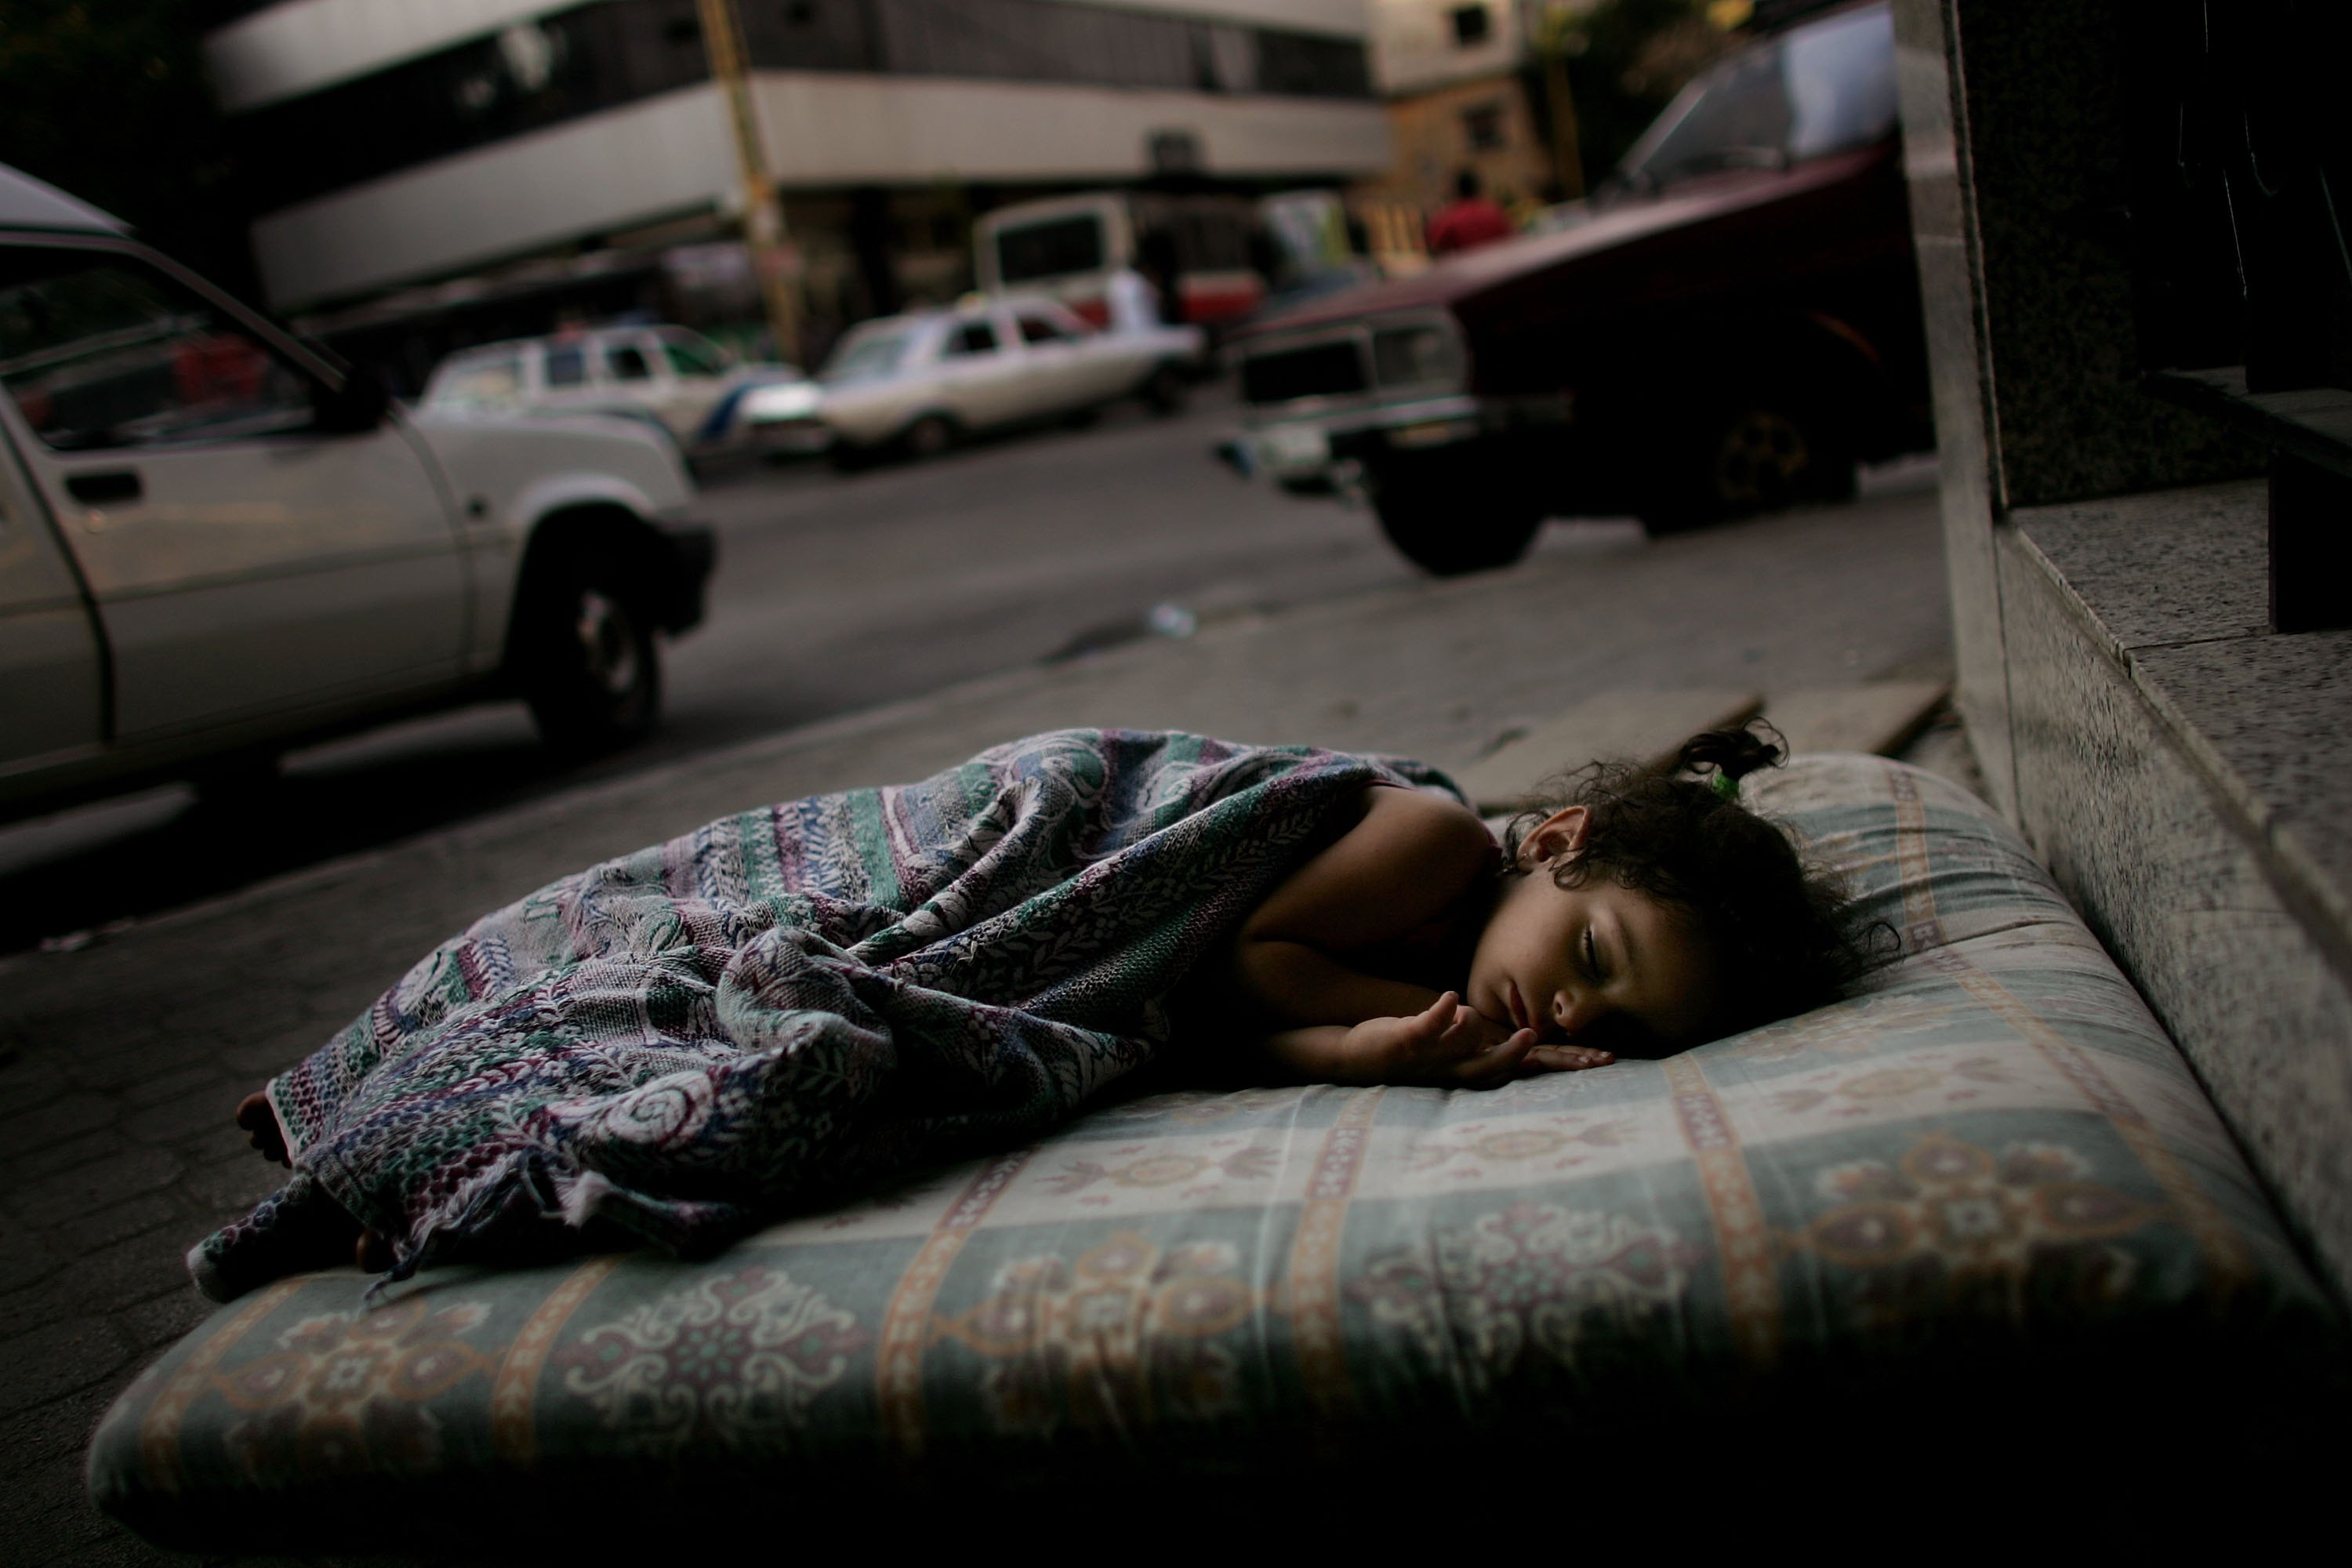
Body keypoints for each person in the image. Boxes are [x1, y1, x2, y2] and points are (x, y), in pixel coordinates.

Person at [217, 724, 1864, 1293]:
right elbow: (1239, 969)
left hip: (1190, 964)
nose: (1552, 1003)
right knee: (784, 972)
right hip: (1061, 839)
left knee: (831, 1089)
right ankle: (399, 1131)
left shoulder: (1460, 971)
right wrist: (1378, 1047)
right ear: (1554, 844)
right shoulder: (1432, 842)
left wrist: (1387, 1047)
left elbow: (1211, 1039)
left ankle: (401, 1180)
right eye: (1586, 952)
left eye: (1612, 1025)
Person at [1425, 169, 1518, 256]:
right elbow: (1512, 238)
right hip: (1501, 268)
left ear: (1456, 191)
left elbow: (1435, 244)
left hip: (1467, 270)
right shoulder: (1494, 212)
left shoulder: (1450, 219)